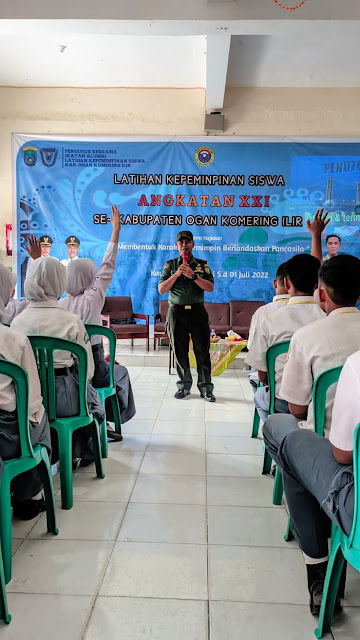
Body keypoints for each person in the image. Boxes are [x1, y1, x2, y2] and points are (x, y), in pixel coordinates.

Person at [270, 349, 359, 615]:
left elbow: (342, 454)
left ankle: (319, 570)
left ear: (323, 302)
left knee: (290, 439)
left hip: (355, 505)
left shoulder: (355, 363)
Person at [263, 253, 360, 462]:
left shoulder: (307, 336)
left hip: (328, 445)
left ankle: (302, 490)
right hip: (354, 449)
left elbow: (297, 409)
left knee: (273, 426)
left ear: (322, 295)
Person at [11, 257, 105, 466]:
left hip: (28, 401)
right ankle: (83, 451)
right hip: (66, 401)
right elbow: (88, 371)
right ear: (59, 282)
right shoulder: (71, 321)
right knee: (93, 401)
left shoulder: (17, 322)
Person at [60, 206, 135, 433]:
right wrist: (116, 231)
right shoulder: (92, 299)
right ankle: (111, 421)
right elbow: (108, 263)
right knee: (120, 373)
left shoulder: (59, 305)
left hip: (67, 375)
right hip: (94, 369)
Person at [245, 253, 324, 423]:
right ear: (317, 285)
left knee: (260, 395)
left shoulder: (269, 319)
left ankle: (273, 430)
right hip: (320, 405)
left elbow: (263, 376)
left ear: (286, 283)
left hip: (282, 402)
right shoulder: (326, 318)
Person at [0, 263, 51, 520]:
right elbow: (31, 399)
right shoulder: (13, 338)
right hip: (5, 436)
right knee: (38, 421)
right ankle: (28, 497)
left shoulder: (18, 323)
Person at [158, 230, 215, 401]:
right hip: (176, 313)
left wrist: (193, 275)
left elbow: (210, 287)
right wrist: (177, 274)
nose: (184, 245)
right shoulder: (170, 265)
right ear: (177, 246)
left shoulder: (201, 265)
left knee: (202, 352)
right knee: (180, 352)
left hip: (197, 312)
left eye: (187, 242)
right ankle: (184, 386)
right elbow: (161, 289)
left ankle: (206, 388)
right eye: (181, 242)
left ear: (193, 245)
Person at [246, 263, 289, 391]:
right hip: (309, 397)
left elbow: (252, 347)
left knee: (256, 369)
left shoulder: (263, 313)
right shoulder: (319, 313)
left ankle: (268, 410)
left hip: (274, 388)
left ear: (275, 283)